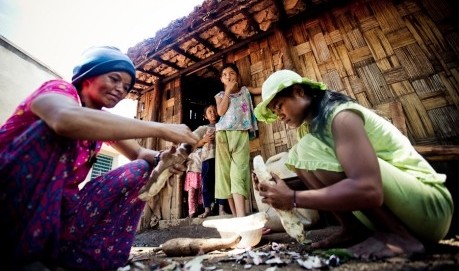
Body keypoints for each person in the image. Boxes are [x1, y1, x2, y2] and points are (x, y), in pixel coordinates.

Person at [0, 46, 198, 270]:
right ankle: (25, 257)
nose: (120, 90)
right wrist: (162, 129)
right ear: (88, 76)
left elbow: (140, 153)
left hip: (59, 215)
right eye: (114, 79)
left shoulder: (100, 120)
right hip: (10, 202)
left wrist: (165, 157)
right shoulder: (59, 90)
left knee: (139, 169)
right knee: (53, 132)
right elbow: (65, 120)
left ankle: (80, 260)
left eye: (125, 87)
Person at [253, 70, 453, 259]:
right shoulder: (308, 130)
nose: (278, 114)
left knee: (305, 149)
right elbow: (329, 176)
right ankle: (353, 229)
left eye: (279, 105)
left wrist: (293, 198)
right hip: (403, 210)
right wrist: (279, 188)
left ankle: (398, 236)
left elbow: (369, 190)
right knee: (299, 154)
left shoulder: (341, 116)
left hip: (430, 208)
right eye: (273, 110)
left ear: (299, 92)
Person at [214, 63, 261, 217]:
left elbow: (263, 89)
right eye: (225, 74)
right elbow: (220, 112)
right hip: (223, 135)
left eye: (232, 73)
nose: (228, 76)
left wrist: (278, 70)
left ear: (237, 77)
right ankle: (237, 216)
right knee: (225, 174)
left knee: (239, 172)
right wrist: (227, 91)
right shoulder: (220, 95)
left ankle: (242, 217)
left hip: (241, 133)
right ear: (221, 79)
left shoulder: (245, 91)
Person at [193, 104, 228, 218]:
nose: (213, 113)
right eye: (209, 111)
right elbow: (193, 143)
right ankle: (207, 209)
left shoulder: (223, 125)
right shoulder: (203, 128)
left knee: (221, 183)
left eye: (214, 111)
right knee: (207, 184)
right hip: (207, 159)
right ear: (205, 116)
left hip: (221, 158)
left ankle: (221, 209)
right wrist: (203, 140)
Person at [184, 148, 204, 218]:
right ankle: (192, 212)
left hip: (199, 172)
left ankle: (200, 210)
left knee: (200, 194)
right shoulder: (187, 150)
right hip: (190, 173)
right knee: (191, 194)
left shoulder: (201, 150)